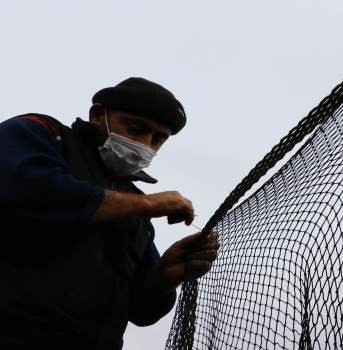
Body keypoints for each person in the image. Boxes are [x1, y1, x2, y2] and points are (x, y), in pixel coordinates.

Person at [0, 77, 219, 349]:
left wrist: (165, 276)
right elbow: (20, 188)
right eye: (136, 128)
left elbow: (140, 311)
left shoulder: (135, 210)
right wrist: (147, 204)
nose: (145, 144)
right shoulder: (41, 131)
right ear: (97, 115)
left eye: (158, 139)